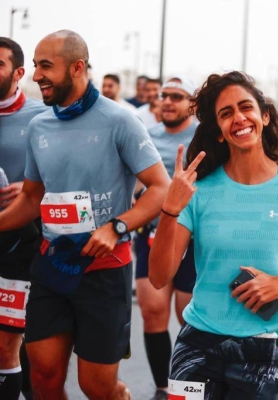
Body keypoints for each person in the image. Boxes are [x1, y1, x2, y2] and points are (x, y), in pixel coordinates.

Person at [147, 71, 278, 399]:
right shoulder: (199, 191)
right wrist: (169, 209)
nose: (238, 118)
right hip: (197, 342)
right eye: (226, 114)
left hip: (263, 347)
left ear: (264, 116)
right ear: (220, 132)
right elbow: (158, 276)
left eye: (245, 107)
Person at [0, 30, 170, 399]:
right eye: (34, 66)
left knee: (97, 387)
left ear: (77, 67)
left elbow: (161, 187)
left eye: (46, 66)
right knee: (43, 378)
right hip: (52, 267)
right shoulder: (39, 125)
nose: (36, 75)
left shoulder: (119, 120)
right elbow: (31, 198)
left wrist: (116, 226)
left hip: (104, 271)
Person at [135, 76, 198, 400]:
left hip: (192, 237)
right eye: (164, 96)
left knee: (188, 316)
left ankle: (190, 387)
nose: (169, 101)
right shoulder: (146, 136)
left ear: (192, 103)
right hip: (150, 232)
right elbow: (134, 179)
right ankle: (164, 388)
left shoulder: (204, 137)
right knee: (152, 311)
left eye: (177, 96)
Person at [0, 36, 47, 400]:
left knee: (8, 343)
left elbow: (65, 174)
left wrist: (33, 190)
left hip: (18, 242)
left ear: (18, 73)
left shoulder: (40, 118)